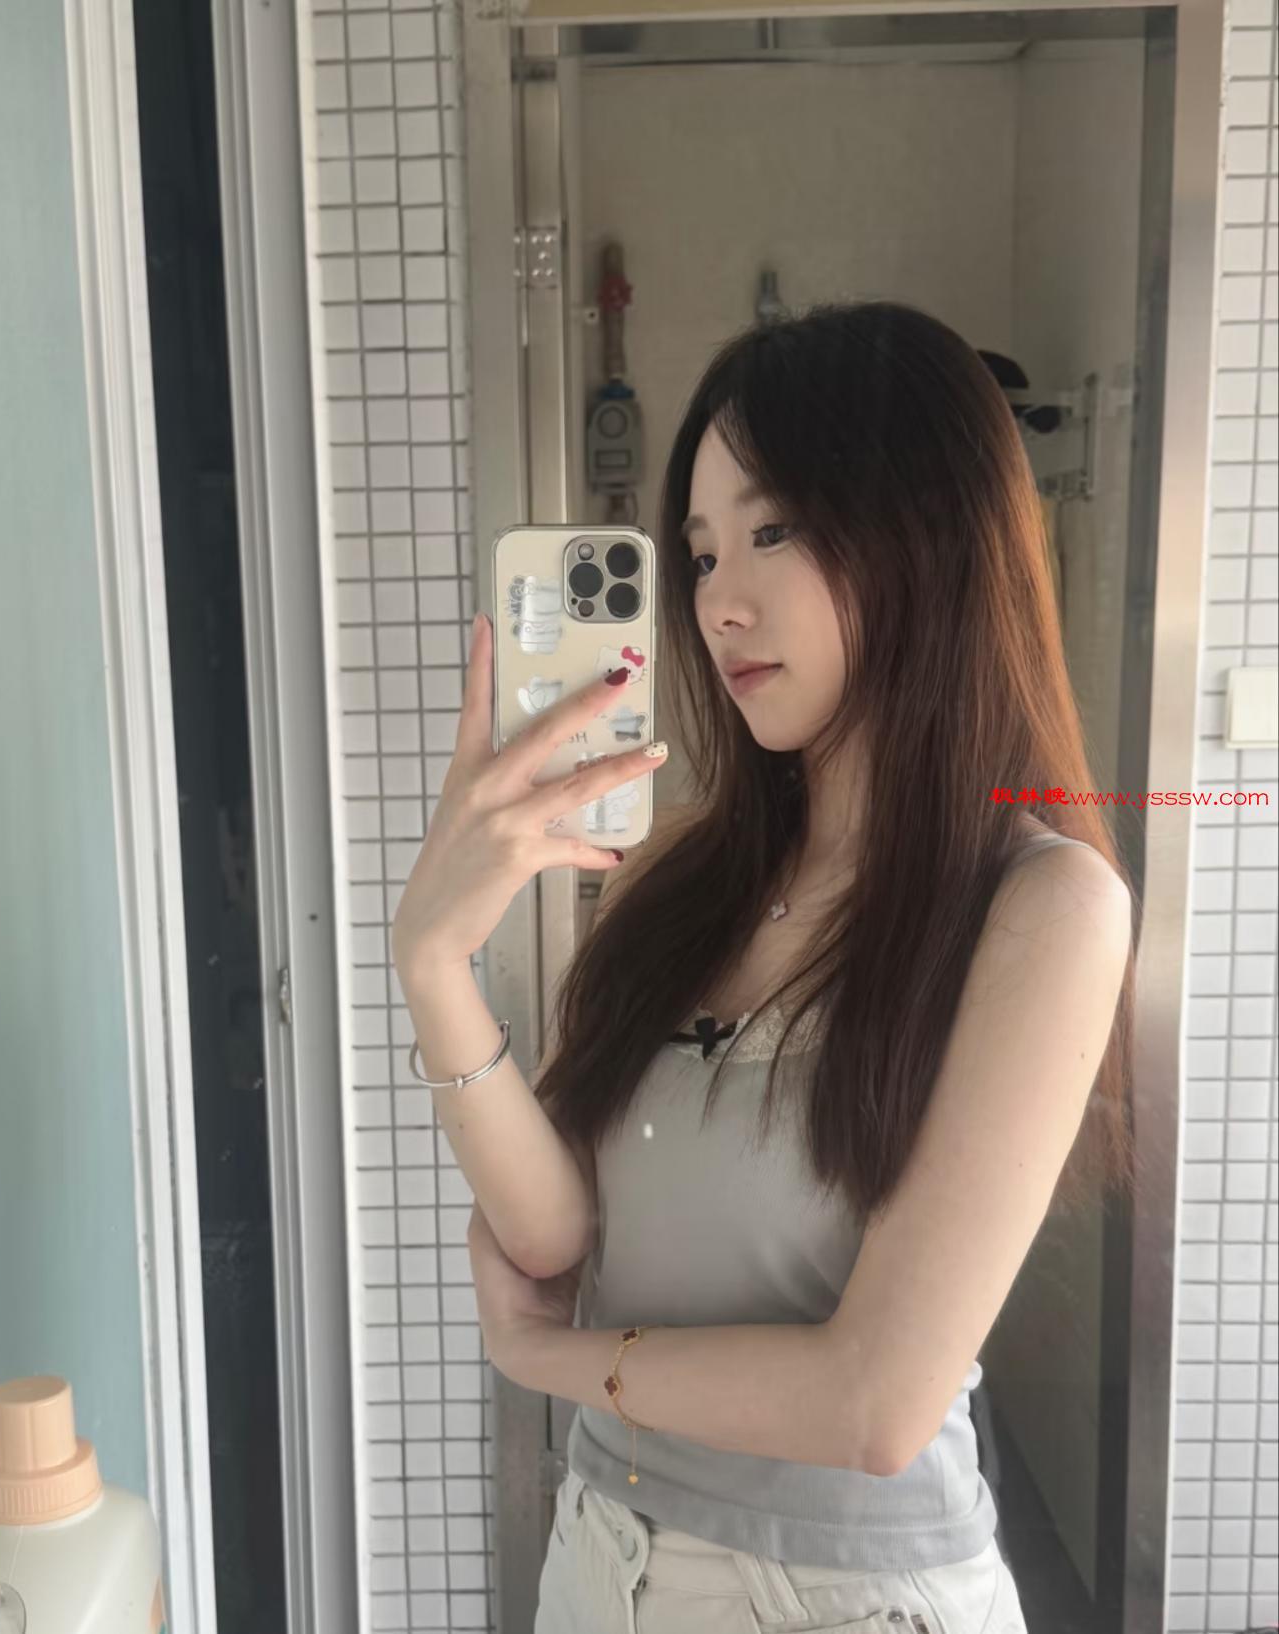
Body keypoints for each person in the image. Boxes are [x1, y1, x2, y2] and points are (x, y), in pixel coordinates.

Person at [391, 301, 1139, 1634]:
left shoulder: (1042, 907)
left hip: (839, 1596)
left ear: (927, 529)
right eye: (697, 552)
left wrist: (546, 1359)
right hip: (598, 1555)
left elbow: (875, 1402)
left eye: (775, 529)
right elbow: (556, 1231)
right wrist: (434, 961)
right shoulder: (680, 877)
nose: (718, 601)